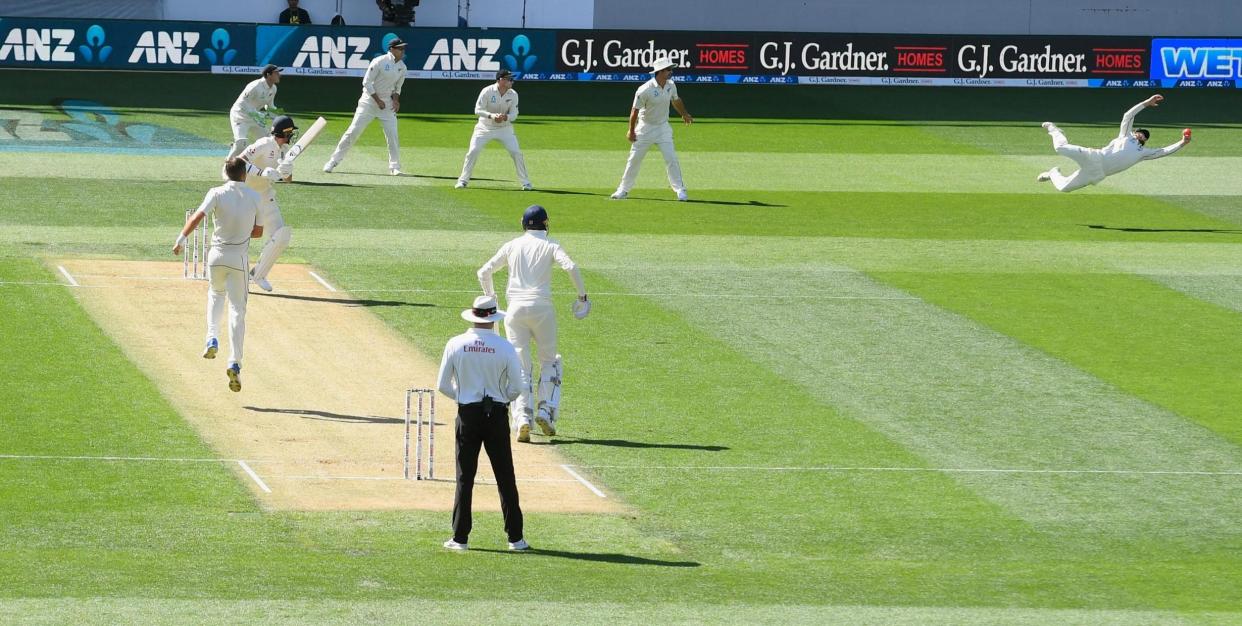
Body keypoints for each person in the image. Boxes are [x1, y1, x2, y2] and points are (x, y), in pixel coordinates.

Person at [477, 205, 589, 443]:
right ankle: (546, 411)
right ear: (545, 224)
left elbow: (484, 272)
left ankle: (522, 418)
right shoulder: (550, 245)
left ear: (523, 224)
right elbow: (571, 266)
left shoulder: (512, 245)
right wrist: (582, 297)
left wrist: (491, 300)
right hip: (542, 308)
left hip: (515, 310)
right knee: (550, 360)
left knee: (519, 365)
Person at [437, 295, 530, 552]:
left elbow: (443, 385)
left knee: (464, 477)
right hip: (496, 414)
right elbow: (518, 387)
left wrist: (465, 397)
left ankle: (460, 538)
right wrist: (503, 399)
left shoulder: (456, 343)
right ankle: (516, 538)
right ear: (492, 318)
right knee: (505, 477)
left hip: (468, 414)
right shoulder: (504, 347)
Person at [173, 158, 264, 392]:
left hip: (216, 256)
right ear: (244, 174)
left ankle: (211, 338)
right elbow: (258, 232)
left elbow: (196, 217)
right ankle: (235, 361)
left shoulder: (216, 192)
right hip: (239, 259)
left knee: (215, 294)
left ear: (226, 173)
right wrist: (241, 230)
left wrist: (180, 240)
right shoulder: (255, 197)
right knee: (238, 310)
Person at [1037, 94, 1191, 193]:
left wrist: (1182, 142)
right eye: (1140, 132)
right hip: (1094, 157)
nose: (1141, 135)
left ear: (1144, 140)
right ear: (1135, 132)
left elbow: (1164, 151)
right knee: (1059, 147)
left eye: (1144, 136)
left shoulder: (1143, 154)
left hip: (1098, 173)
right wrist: (1146, 103)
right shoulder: (1125, 136)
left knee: (1064, 188)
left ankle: (1053, 173)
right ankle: (1054, 130)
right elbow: (1127, 116)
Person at [611, 57, 693, 202]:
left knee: (671, 159)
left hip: (663, 128)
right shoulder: (644, 89)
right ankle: (623, 189)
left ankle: (680, 190)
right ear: (660, 71)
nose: (671, 72)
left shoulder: (671, 85)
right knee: (634, 160)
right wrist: (631, 130)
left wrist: (685, 114)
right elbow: (634, 111)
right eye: (668, 69)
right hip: (645, 128)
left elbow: (676, 100)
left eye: (671, 69)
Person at [323, 38, 407, 176]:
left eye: (403, 49)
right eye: (400, 48)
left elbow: (398, 87)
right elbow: (366, 83)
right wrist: (377, 100)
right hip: (368, 102)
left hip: (387, 104)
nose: (402, 51)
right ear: (392, 49)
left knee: (392, 135)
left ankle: (395, 167)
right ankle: (333, 161)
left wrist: (396, 100)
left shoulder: (402, 67)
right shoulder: (379, 61)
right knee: (353, 132)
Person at [238, 115, 298, 292]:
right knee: (241, 237)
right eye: (291, 132)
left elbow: (288, 180)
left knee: (281, 236)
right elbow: (238, 162)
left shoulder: (285, 150)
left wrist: (287, 172)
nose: (292, 136)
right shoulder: (263, 143)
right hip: (247, 195)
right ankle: (230, 272)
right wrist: (261, 172)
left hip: (266, 196)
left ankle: (258, 274)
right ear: (285, 133)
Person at [455, 69, 532, 191]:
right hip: (484, 128)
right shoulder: (487, 91)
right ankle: (463, 181)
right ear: (501, 80)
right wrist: (492, 116)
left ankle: (526, 183)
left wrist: (506, 117)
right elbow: (477, 110)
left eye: (512, 79)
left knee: (516, 153)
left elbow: (515, 114)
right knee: (473, 151)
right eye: (509, 79)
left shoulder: (513, 94)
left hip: (504, 129)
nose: (512, 81)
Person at [227, 64, 282, 160]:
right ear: (268, 75)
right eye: (276, 73)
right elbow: (242, 103)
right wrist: (256, 113)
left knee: (269, 141)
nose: (279, 75)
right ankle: (228, 166)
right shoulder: (255, 86)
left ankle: (261, 164)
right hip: (240, 116)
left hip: (255, 118)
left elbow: (270, 106)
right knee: (241, 144)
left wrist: (279, 119)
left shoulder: (273, 88)